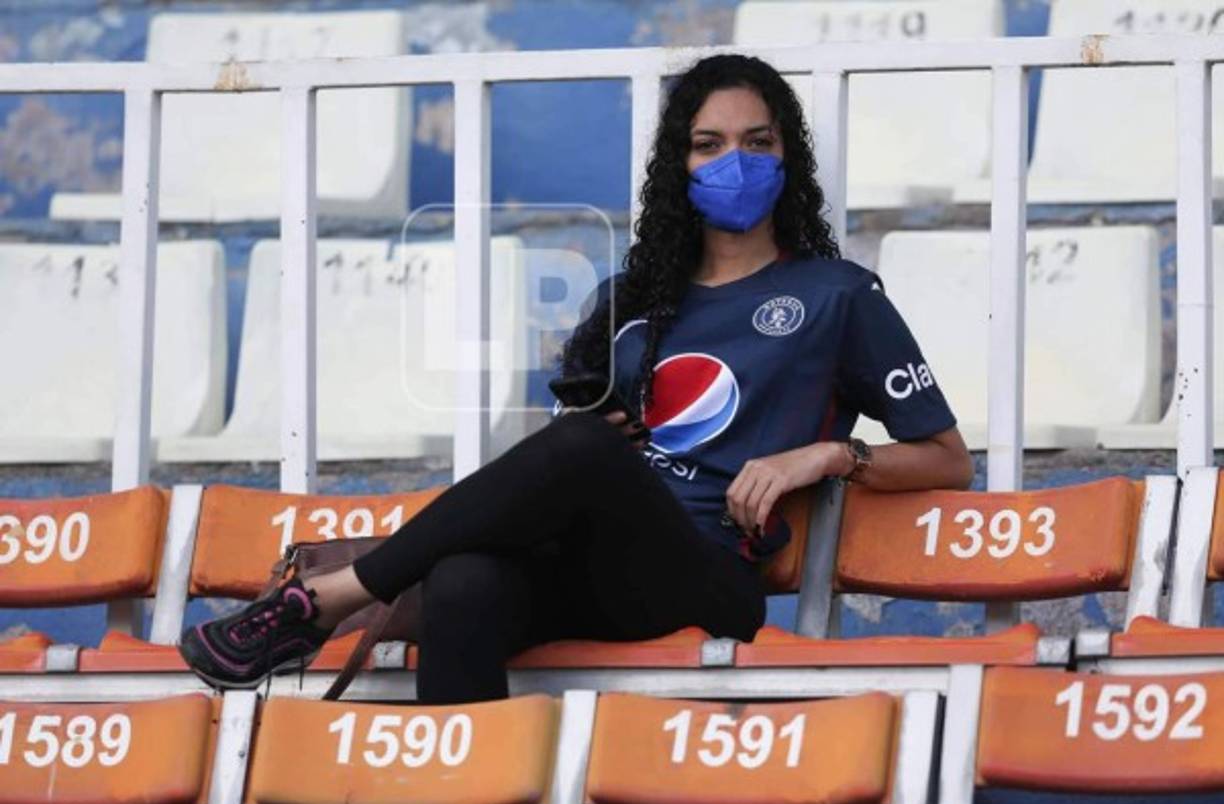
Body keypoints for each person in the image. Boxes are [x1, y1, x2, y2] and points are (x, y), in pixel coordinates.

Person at [179, 53, 972, 704]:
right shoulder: (630, 303)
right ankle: (465, 785)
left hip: (709, 574)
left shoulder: (837, 294)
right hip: (594, 561)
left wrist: (829, 457)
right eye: (709, 144)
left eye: (757, 142)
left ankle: (325, 600)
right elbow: (576, 454)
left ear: (785, 157)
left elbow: (947, 458)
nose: (736, 161)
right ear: (680, 166)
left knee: (585, 452)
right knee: (461, 584)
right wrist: (585, 441)